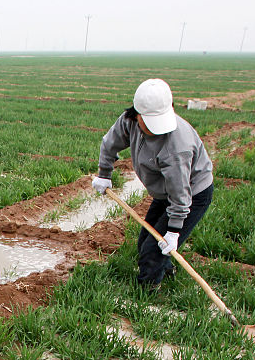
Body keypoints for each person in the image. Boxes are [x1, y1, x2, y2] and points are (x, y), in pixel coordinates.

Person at [91, 78, 214, 290]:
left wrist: (174, 230)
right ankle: (165, 271)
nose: (155, 129)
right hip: (165, 194)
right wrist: (104, 173)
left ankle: (145, 294)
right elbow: (109, 144)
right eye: (148, 122)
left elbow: (180, 194)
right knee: (146, 241)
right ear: (136, 114)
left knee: (153, 250)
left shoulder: (177, 146)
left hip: (192, 194)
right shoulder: (128, 122)